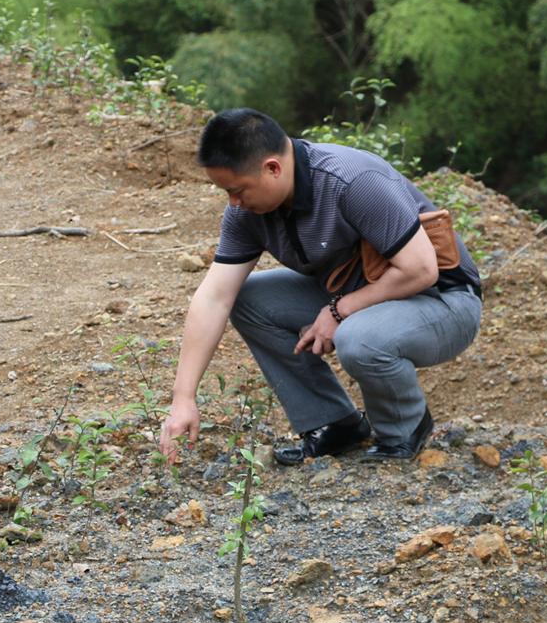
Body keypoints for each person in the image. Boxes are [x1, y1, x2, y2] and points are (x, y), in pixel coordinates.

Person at [158, 108, 482, 465]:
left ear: (272, 168)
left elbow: (421, 270)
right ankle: (333, 424)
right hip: (364, 294)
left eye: (237, 190)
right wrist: (183, 398)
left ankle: (404, 429)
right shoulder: (246, 212)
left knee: (357, 338)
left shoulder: (352, 182)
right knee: (248, 299)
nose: (233, 202)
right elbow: (214, 296)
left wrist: (338, 310)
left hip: (443, 301)